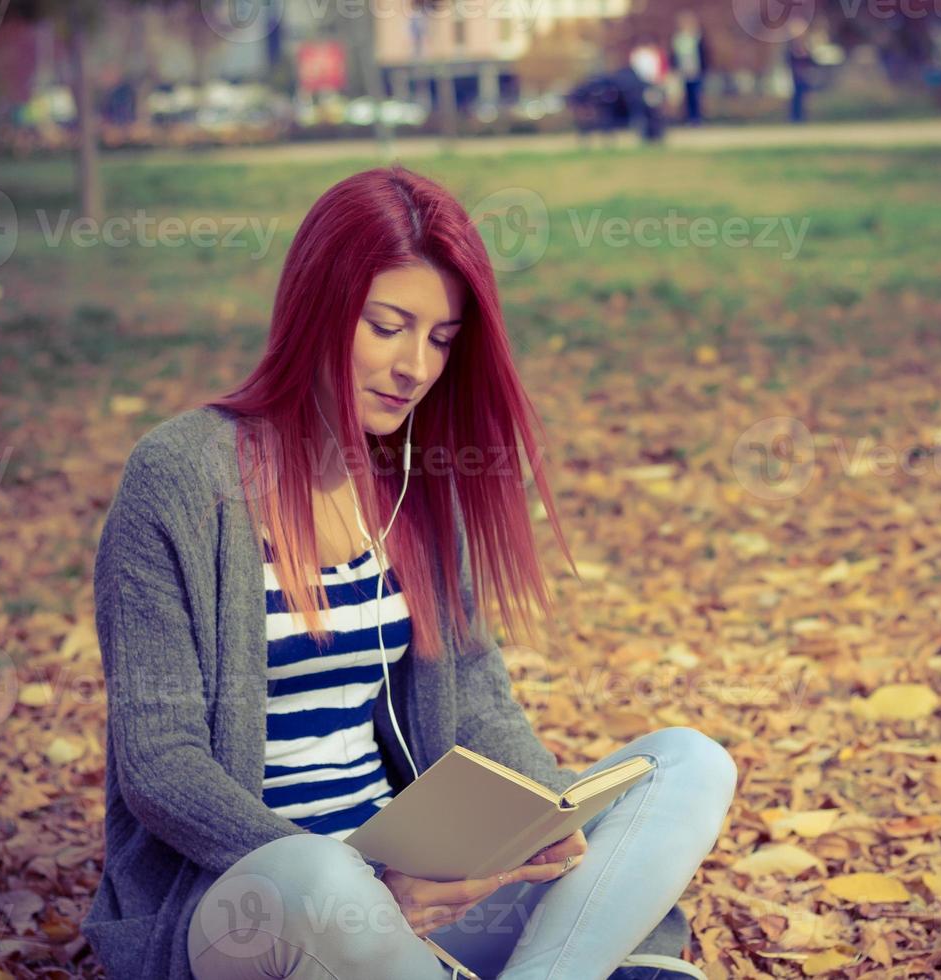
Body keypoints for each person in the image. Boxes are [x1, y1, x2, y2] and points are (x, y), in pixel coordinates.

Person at [80, 164, 738, 980]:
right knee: (318, 876)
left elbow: (475, 698)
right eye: (387, 325)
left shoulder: (416, 483)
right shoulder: (181, 477)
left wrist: (547, 820)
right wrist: (366, 883)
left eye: (439, 339)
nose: (414, 368)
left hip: (419, 893)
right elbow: (161, 765)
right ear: (317, 306)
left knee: (686, 762)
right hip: (255, 900)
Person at [669, 11, 710, 126]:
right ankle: (689, 118)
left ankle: (697, 118)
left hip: (696, 72)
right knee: (686, 97)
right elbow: (674, 56)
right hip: (683, 73)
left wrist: (703, 69)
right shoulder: (678, 39)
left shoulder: (698, 37)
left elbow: (704, 54)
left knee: (697, 96)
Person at [786, 18, 818, 124]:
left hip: (805, 77)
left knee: (806, 98)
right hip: (795, 78)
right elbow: (789, 62)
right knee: (797, 98)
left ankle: (804, 117)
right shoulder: (791, 49)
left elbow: (812, 62)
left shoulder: (806, 48)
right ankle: (795, 118)